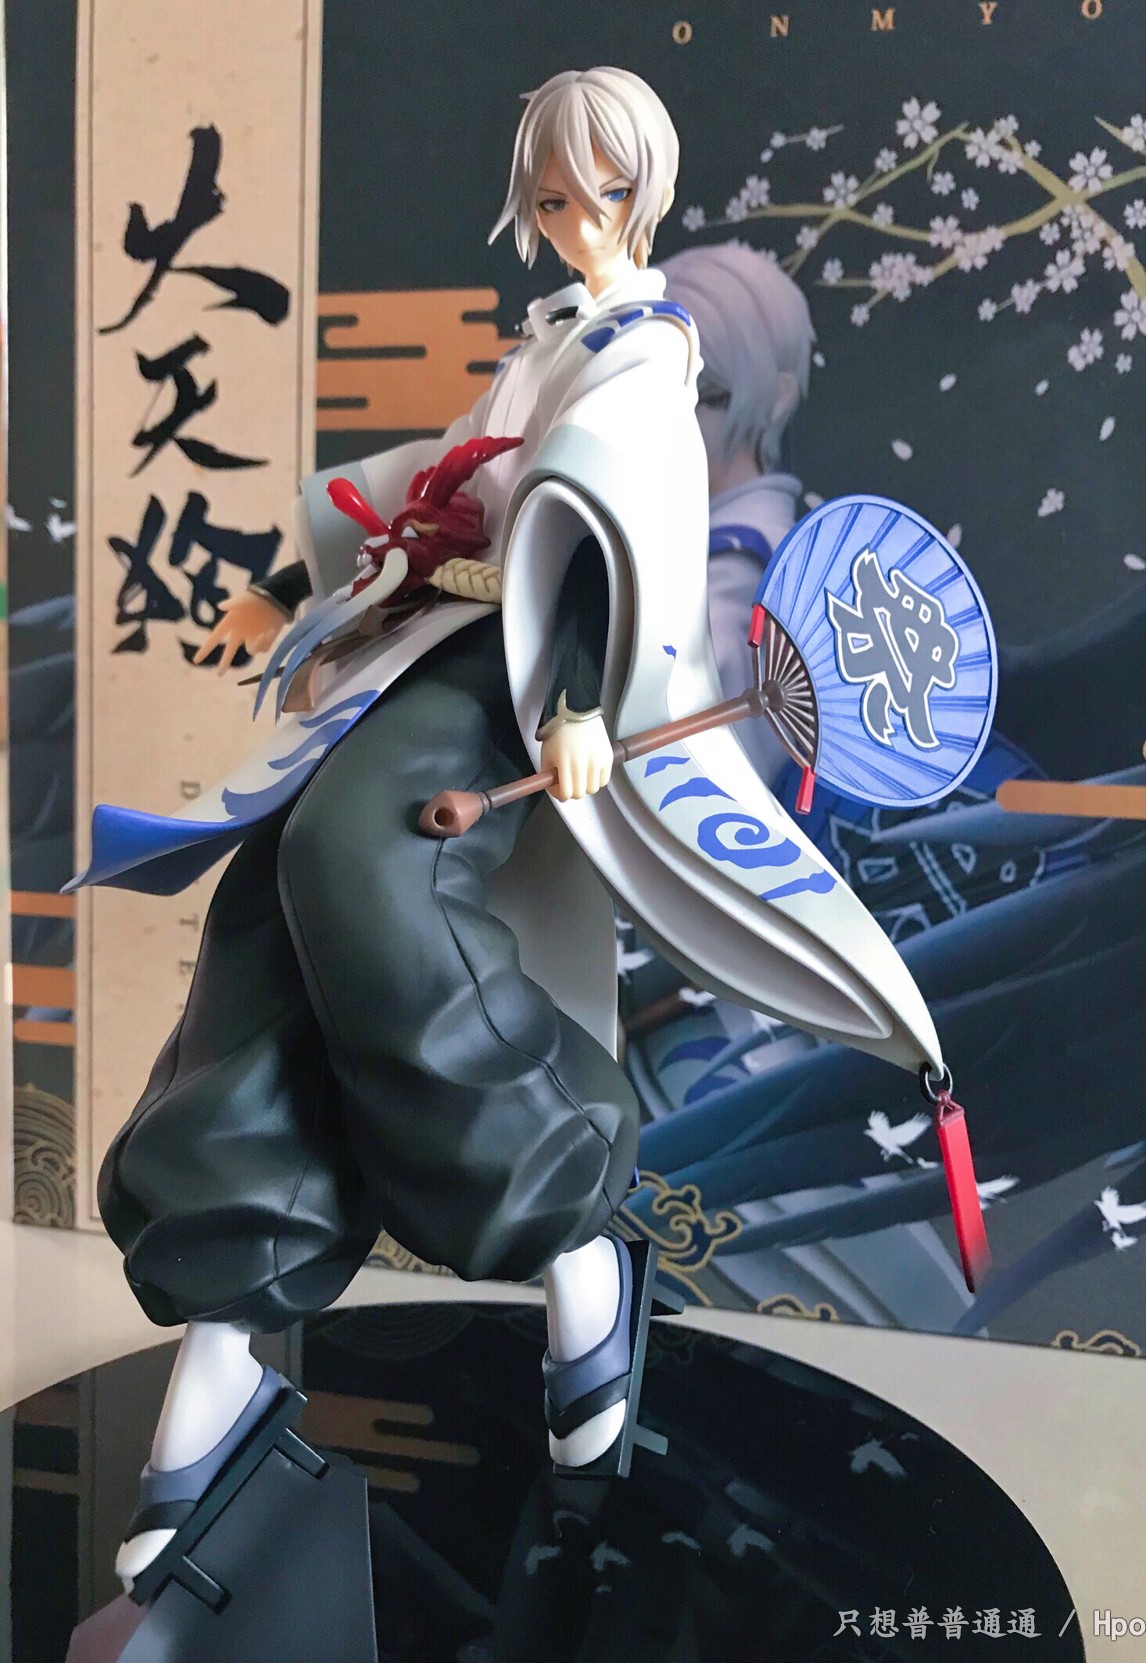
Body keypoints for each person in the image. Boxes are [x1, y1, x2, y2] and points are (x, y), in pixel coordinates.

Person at [72, 67, 949, 1593]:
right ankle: (233, 1310)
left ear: (644, 193)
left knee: (363, 857)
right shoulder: (553, 335)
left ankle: (568, 1220)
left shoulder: (651, 352)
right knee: (277, 895)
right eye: (551, 196)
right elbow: (443, 480)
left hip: (532, 666)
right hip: (435, 637)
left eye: (599, 193)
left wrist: (586, 694)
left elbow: (620, 525)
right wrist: (305, 576)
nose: (573, 219)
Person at [661, 241, 814, 782]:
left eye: (709, 396)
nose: (677, 418)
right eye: (659, 392)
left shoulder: (739, 570)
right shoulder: (724, 548)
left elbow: (698, 772)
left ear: (776, 399)